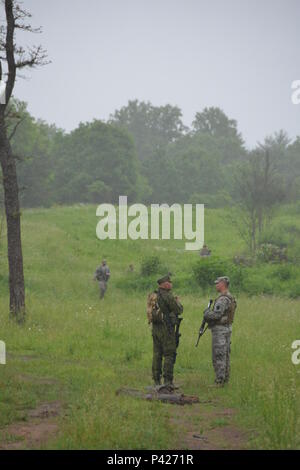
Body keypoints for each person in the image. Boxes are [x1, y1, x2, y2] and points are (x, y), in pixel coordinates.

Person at [150, 274, 183, 391]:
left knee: (157, 354)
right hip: (166, 329)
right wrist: (178, 302)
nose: (171, 284)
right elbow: (179, 310)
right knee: (169, 354)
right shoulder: (168, 296)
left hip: (155, 329)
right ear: (165, 284)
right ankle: (168, 381)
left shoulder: (154, 295)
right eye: (170, 282)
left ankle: (156, 380)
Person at [203, 276, 237, 386]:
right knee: (225, 354)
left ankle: (219, 381)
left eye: (217, 283)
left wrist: (207, 313)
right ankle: (224, 379)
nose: (216, 285)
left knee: (219, 355)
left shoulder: (223, 299)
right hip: (226, 328)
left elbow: (217, 315)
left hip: (220, 330)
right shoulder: (230, 297)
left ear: (223, 284)